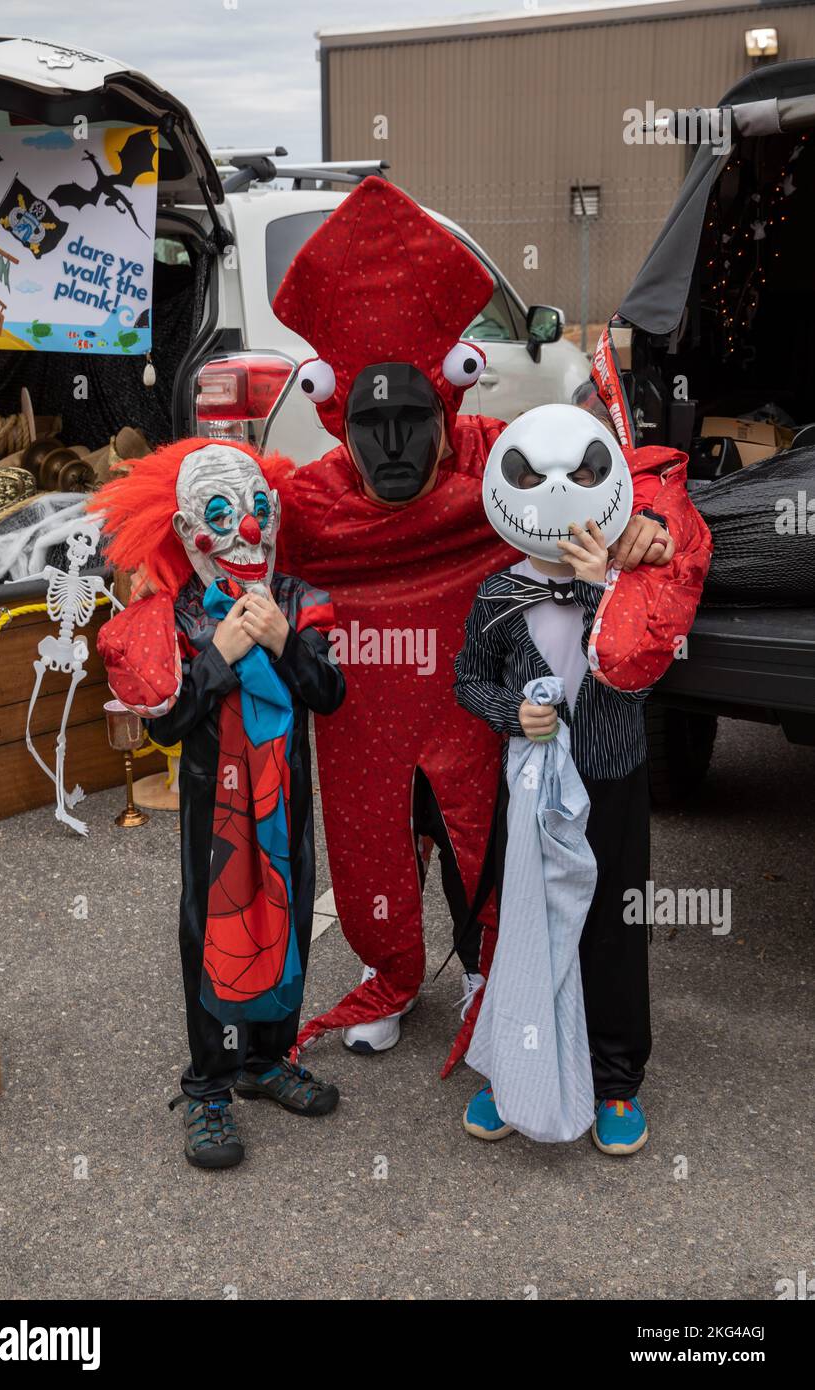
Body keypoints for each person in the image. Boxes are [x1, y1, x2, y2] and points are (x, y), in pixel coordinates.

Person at [261, 176, 682, 1069]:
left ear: (448, 404)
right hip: (361, 712)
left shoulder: (497, 460)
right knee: (371, 846)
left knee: (482, 837)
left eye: (413, 418)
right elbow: (216, 529)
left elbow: (607, 471)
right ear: (336, 415)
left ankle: (491, 970)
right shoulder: (309, 506)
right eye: (369, 423)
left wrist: (649, 519)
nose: (393, 446)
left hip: (475, 702)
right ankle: (392, 972)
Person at [454, 405, 711, 1154]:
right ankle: (517, 1066)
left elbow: (639, 664)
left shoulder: (636, 580)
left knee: (612, 928)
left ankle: (616, 1078)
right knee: (527, 921)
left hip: (611, 776)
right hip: (530, 788)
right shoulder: (497, 596)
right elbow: (467, 681)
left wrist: (611, 585)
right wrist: (511, 711)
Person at [93, 440, 345, 1169]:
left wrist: (284, 643)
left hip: (285, 811)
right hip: (216, 821)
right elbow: (167, 724)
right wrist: (218, 658)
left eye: (258, 508)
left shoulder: (296, 601)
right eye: (219, 513)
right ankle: (208, 1083)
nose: (247, 529)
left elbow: (330, 696)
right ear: (181, 528)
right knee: (211, 935)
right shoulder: (172, 617)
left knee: (290, 921)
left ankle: (266, 1059)